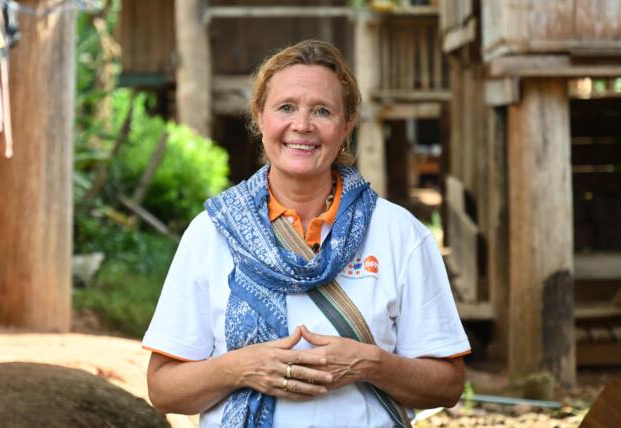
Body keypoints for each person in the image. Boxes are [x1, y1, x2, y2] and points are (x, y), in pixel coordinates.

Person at [143, 39, 470, 428]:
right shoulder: (212, 233)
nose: (302, 125)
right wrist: (238, 368)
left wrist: (370, 364)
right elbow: (163, 389)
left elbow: (448, 385)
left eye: (322, 111)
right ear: (260, 116)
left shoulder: (399, 233)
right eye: (286, 107)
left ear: (346, 125)